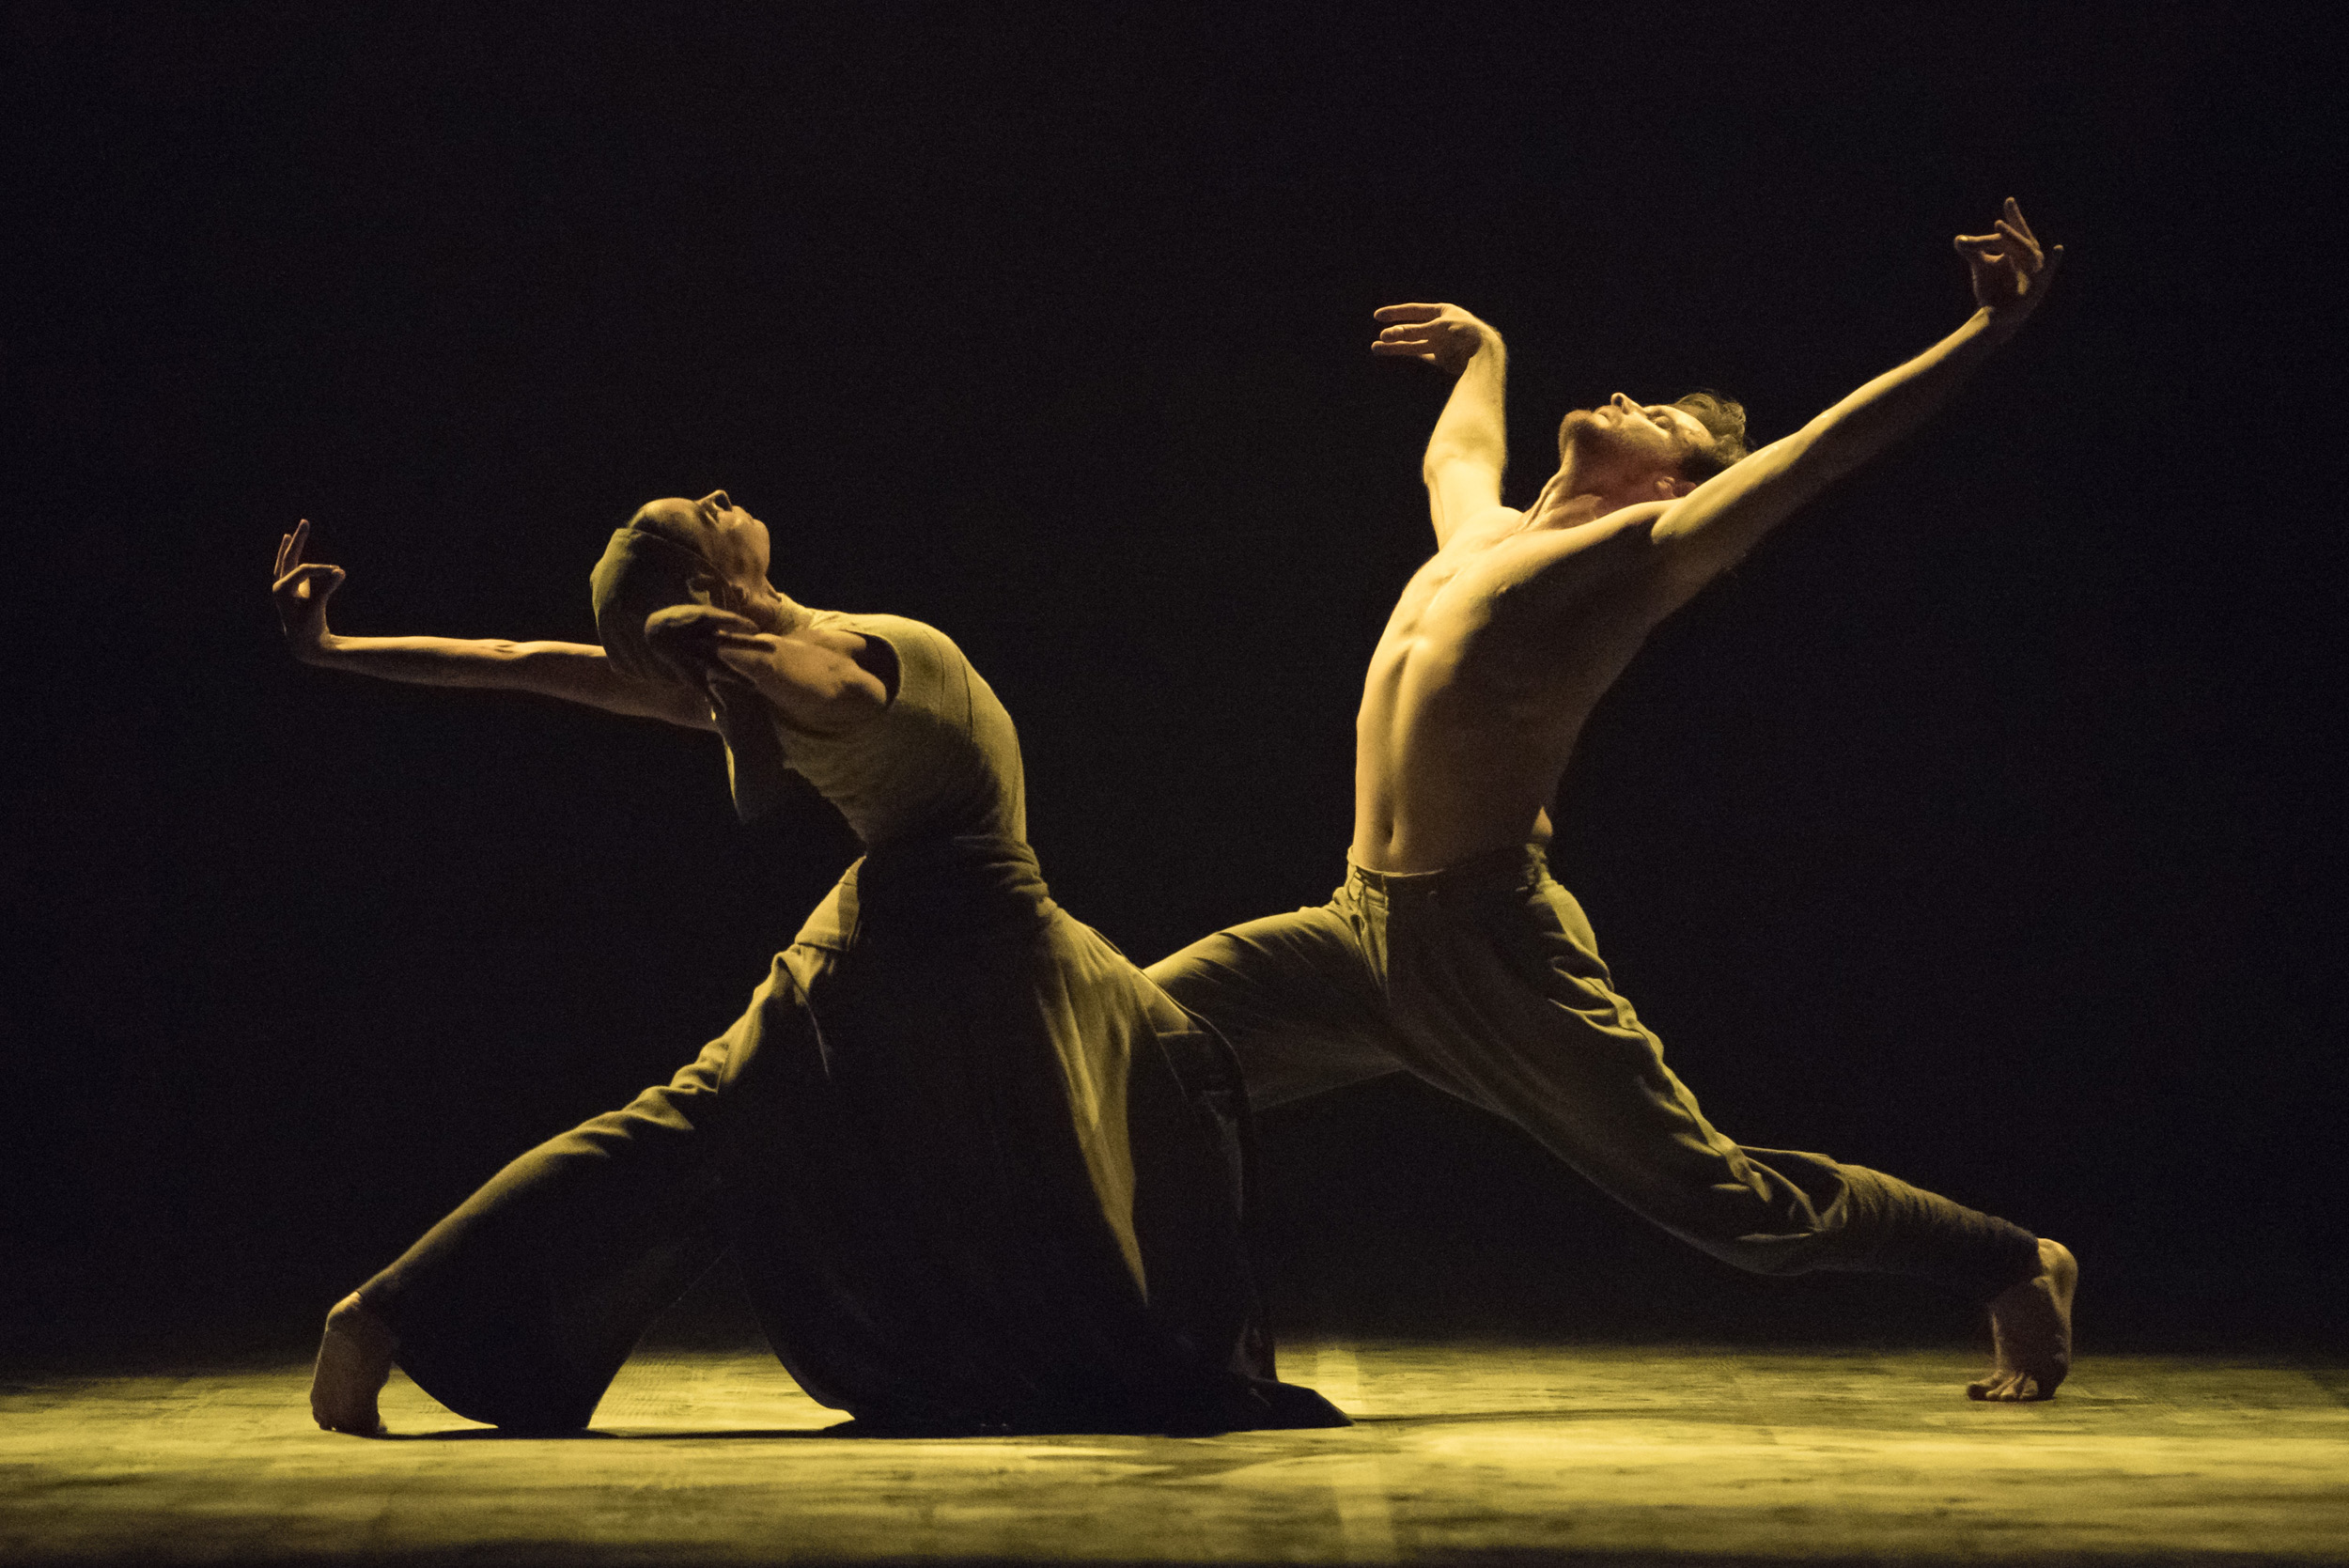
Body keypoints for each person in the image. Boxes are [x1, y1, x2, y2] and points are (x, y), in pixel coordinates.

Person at [1145, 200, 2077, 1401]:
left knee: (1729, 1208)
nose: (1632, 398)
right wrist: (1485, 354)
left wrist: (1987, 332)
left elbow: (1825, 450)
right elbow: (1457, 455)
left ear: (1671, 479)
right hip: (1352, 930)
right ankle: (1160, 1333)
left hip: (1493, 951)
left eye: (1664, 421)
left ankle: (2010, 1259)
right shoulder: (1478, 538)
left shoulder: (1638, 557)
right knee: (1128, 1050)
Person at [273, 497, 1344, 1436]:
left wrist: (336, 647)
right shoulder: (800, 672)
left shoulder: (777, 652)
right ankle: (388, 1316)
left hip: (979, 929)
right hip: (947, 931)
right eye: (698, 513)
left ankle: (395, 1313)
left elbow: (522, 661)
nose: (722, 495)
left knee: (1104, 1100)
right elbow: (796, 697)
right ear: (708, 580)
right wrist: (727, 651)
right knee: (708, 1126)